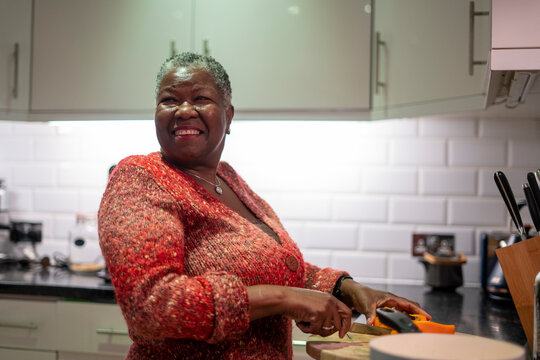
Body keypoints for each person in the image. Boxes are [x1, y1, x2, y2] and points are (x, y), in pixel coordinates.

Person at [98, 52, 430, 359]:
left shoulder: (228, 179)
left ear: (228, 116)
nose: (184, 110)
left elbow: (270, 265)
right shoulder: (140, 178)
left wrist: (349, 289)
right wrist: (284, 298)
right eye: (169, 100)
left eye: (200, 98)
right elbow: (152, 306)